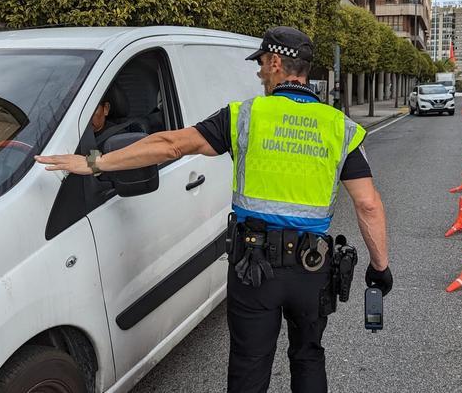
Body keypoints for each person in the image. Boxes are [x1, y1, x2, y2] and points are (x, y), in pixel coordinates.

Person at [35, 27, 392, 393]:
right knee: (309, 356)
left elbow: (171, 144)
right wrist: (380, 268)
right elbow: (368, 204)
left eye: (261, 65)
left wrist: (94, 162)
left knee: (249, 366)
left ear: (275, 62)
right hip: (311, 270)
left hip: (254, 271)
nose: (259, 73)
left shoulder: (245, 116)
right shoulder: (340, 128)